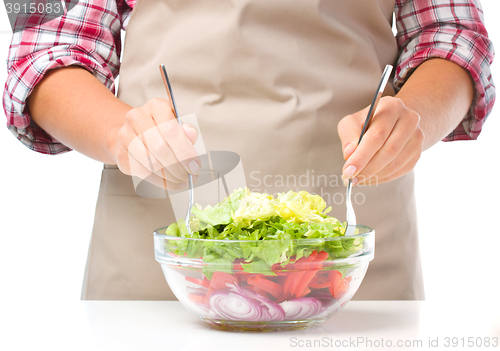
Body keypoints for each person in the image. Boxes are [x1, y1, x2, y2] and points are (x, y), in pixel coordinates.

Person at [3, 0, 495, 300]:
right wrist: (121, 134)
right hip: (161, 267)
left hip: (348, 265)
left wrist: (413, 118)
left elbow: (453, 34)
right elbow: (41, 47)